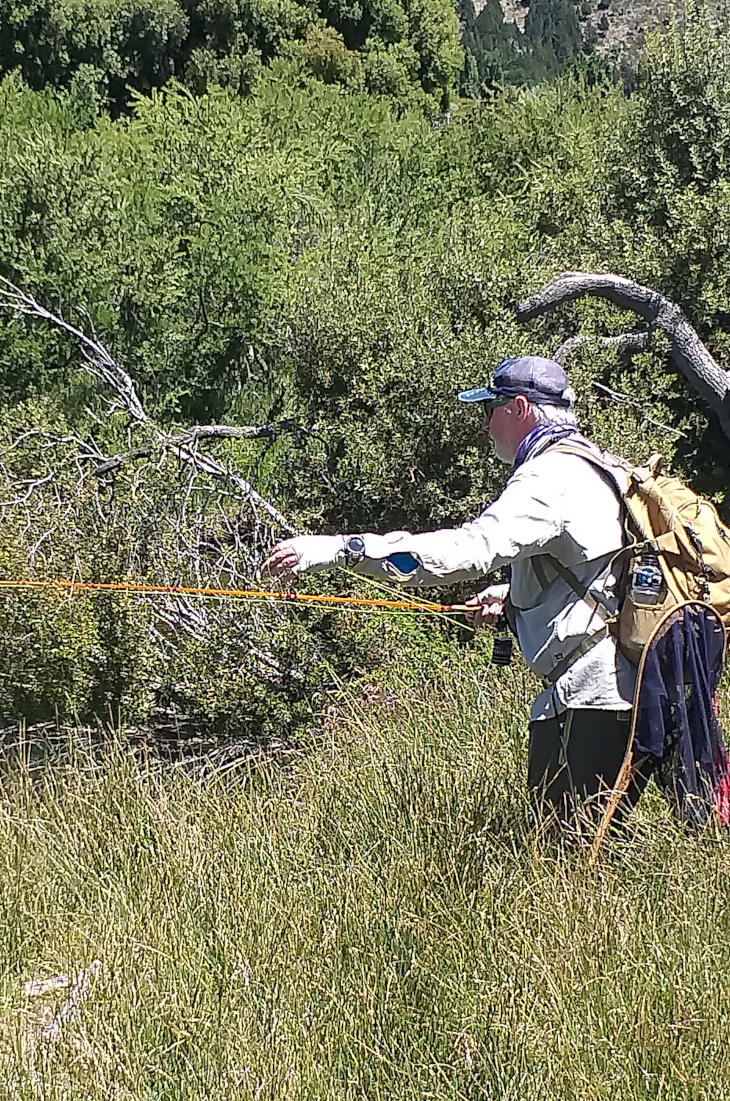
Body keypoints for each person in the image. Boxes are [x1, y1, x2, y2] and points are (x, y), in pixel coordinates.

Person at [264, 355, 658, 837]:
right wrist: (513, 595)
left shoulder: (549, 478)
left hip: (591, 696)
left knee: (564, 858)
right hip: (631, 685)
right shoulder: (597, 464)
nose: (485, 423)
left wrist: (343, 550)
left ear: (519, 407)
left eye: (489, 408)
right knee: (608, 846)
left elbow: (463, 553)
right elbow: (594, 566)